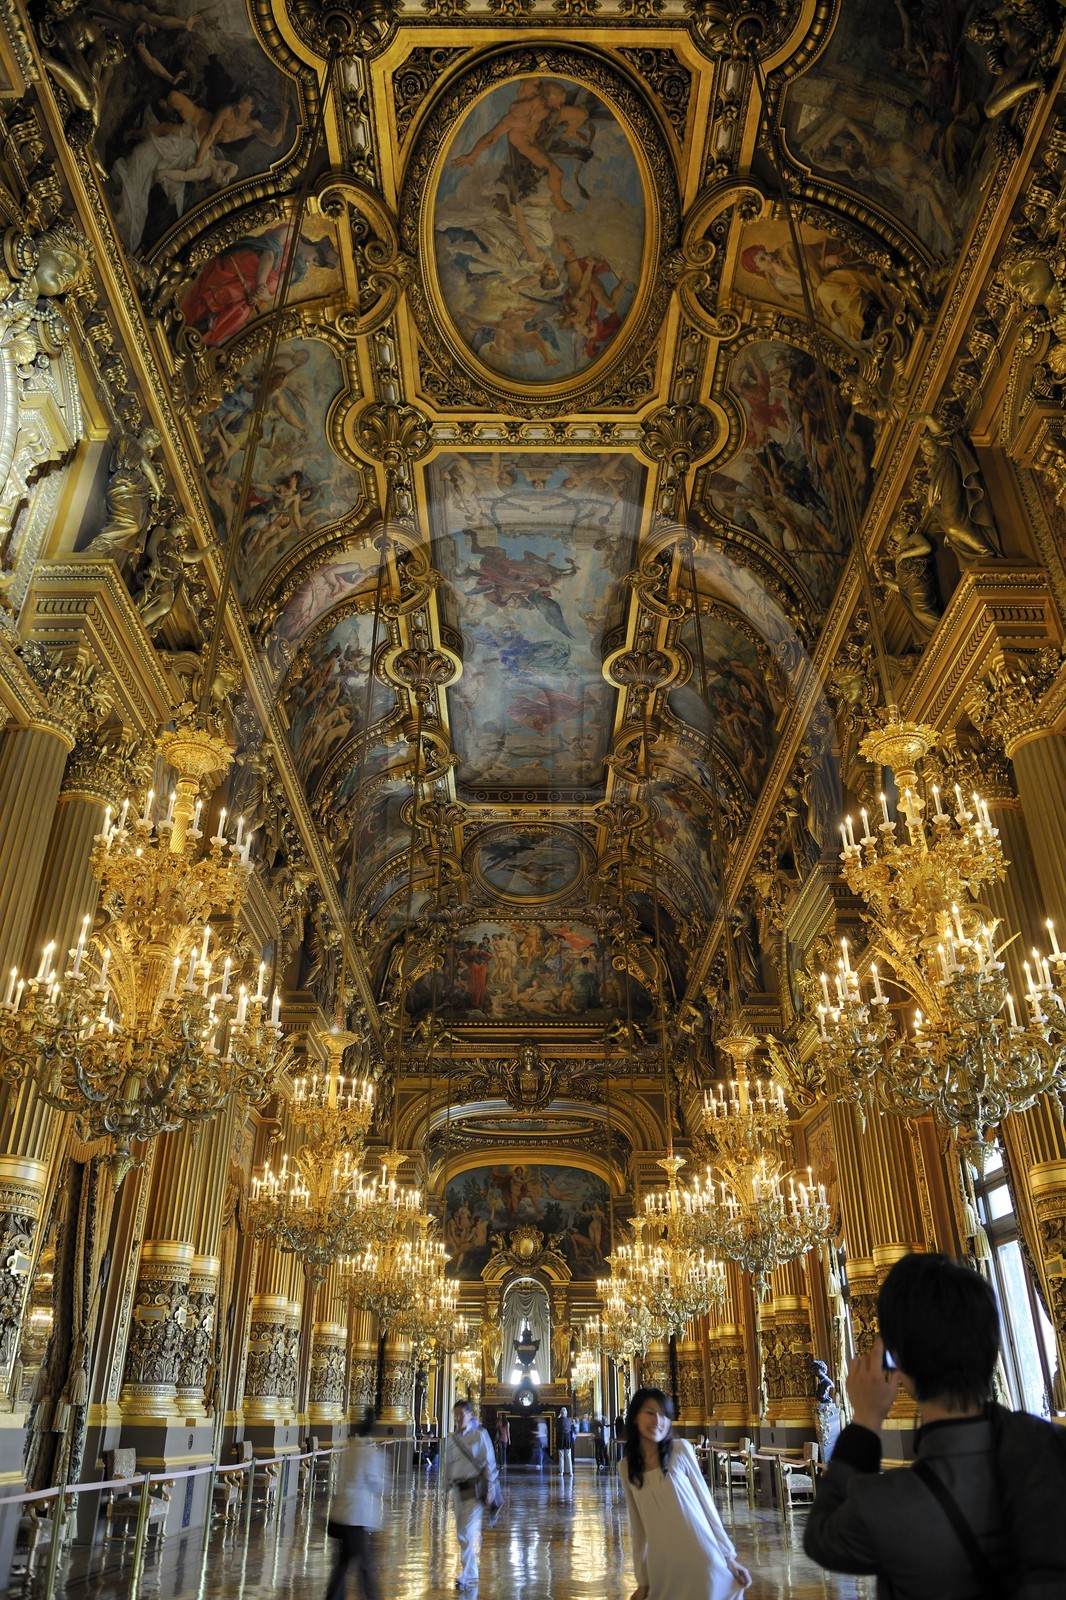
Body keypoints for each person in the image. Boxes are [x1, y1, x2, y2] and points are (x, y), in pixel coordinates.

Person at [805, 1251, 1066, 1599]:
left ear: (898, 1363)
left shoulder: (884, 1506)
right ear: (990, 1346)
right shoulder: (1055, 1450)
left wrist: (866, 1419)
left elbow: (821, 1536)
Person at [619, 1387, 752, 1600]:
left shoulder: (680, 1450)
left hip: (699, 1555)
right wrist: (643, 1582)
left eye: (664, 1415)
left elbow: (705, 1503)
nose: (658, 1420)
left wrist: (729, 1557)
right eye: (650, 1412)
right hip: (662, 1564)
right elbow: (638, 1527)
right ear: (635, 1417)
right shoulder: (625, 1467)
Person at [325, 1407, 384, 1600]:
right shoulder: (369, 1454)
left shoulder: (348, 1450)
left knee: (342, 1563)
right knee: (365, 1566)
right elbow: (376, 1484)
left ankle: (333, 1597)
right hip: (357, 1516)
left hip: (341, 1513)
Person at [444, 1399, 500, 1593]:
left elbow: (489, 1461)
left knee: (467, 1532)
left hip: (475, 1489)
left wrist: (491, 1487)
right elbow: (448, 1465)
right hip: (457, 1490)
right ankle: (472, 1572)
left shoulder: (480, 1435)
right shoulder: (452, 1439)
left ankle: (466, 1574)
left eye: (462, 1414)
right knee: (461, 1533)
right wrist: (445, 1489)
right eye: (456, 1415)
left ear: (470, 1415)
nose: (459, 1418)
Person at [557, 1406, 575, 1476]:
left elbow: (556, 1425)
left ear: (561, 1413)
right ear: (566, 1413)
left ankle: (561, 1472)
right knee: (568, 1455)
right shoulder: (569, 1420)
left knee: (561, 1455)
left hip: (561, 1437)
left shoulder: (558, 1420)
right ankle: (570, 1472)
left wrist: (559, 1416)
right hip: (567, 1438)